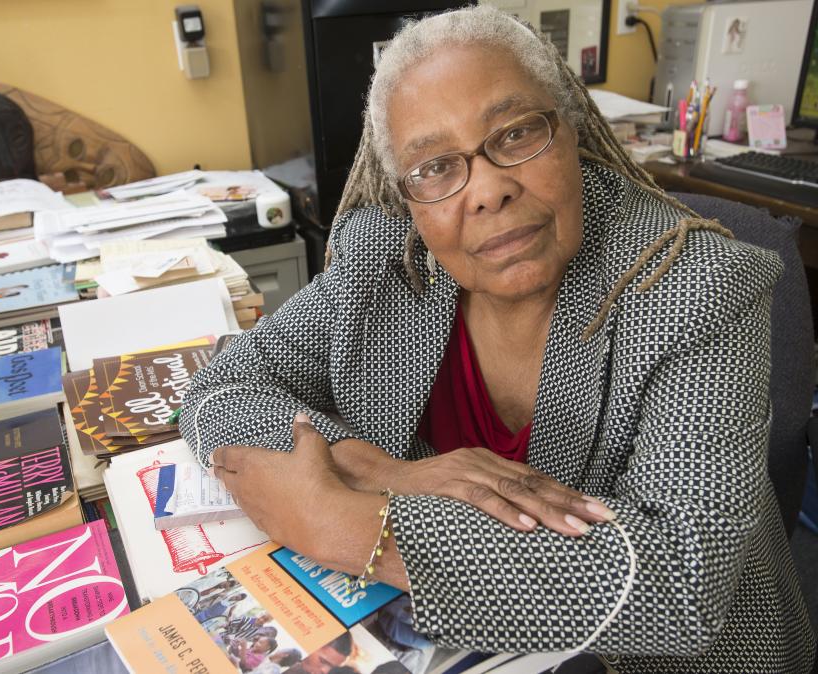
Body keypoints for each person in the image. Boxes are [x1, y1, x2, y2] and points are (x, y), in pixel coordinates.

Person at [180, 6, 816, 673]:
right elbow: (218, 389)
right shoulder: (383, 262)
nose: (486, 191)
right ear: (410, 196)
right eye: (435, 167)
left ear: (568, 126)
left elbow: (681, 584)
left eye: (515, 134)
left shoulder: (699, 288)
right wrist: (379, 470)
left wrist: (346, 524)